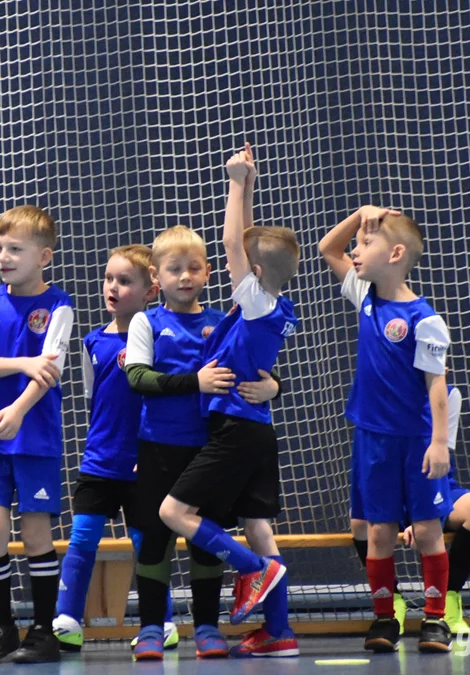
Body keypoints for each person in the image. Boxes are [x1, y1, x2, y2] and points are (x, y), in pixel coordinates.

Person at [155, 144, 300, 658]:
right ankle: (279, 631)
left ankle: (248, 567)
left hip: (236, 429)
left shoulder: (255, 302)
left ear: (253, 272)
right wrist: (252, 187)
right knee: (261, 526)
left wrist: (236, 182)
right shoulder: (268, 305)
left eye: (246, 262)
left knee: (173, 510)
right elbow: (248, 246)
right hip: (257, 428)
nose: (239, 259)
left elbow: (232, 244)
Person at [319, 205, 454, 653]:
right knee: (377, 532)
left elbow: (437, 385)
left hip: (415, 442)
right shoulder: (365, 296)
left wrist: (438, 441)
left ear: (395, 253)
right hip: (372, 439)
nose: (355, 252)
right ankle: (384, 618)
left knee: (428, 530)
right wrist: (361, 216)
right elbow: (327, 247)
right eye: (357, 244)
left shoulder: (425, 318)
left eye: (366, 243)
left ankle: (434, 620)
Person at [50, 244, 182, 652]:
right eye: (109, 278)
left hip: (145, 462)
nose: (113, 287)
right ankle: (67, 617)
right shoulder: (92, 342)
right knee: (83, 538)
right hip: (100, 462)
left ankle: (162, 622)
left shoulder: (160, 339)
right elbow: (95, 400)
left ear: (150, 291)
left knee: (148, 546)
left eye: (125, 281)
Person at [0, 205, 74, 664]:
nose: (3, 257)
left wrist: (17, 408)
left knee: (35, 536)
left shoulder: (59, 306)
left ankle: (43, 630)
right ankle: (1, 625)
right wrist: (21, 364)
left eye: (15, 249)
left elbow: (49, 371)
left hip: (34, 437)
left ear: (43, 256)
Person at [124, 224, 233, 660]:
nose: (184, 276)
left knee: (206, 540)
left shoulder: (221, 323)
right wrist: (195, 382)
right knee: (154, 539)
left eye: (193, 268)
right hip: (157, 448)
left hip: (208, 451)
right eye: (174, 269)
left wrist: (273, 386)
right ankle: (151, 626)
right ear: (157, 277)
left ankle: (207, 626)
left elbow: (246, 371)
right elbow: (137, 377)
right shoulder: (145, 321)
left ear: (207, 272)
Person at [352, 385, 470, 637]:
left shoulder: (449, 396)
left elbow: (436, 464)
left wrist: (426, 518)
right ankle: (392, 599)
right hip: (391, 493)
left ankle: (448, 597)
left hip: (433, 486)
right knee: (360, 522)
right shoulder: (380, 398)